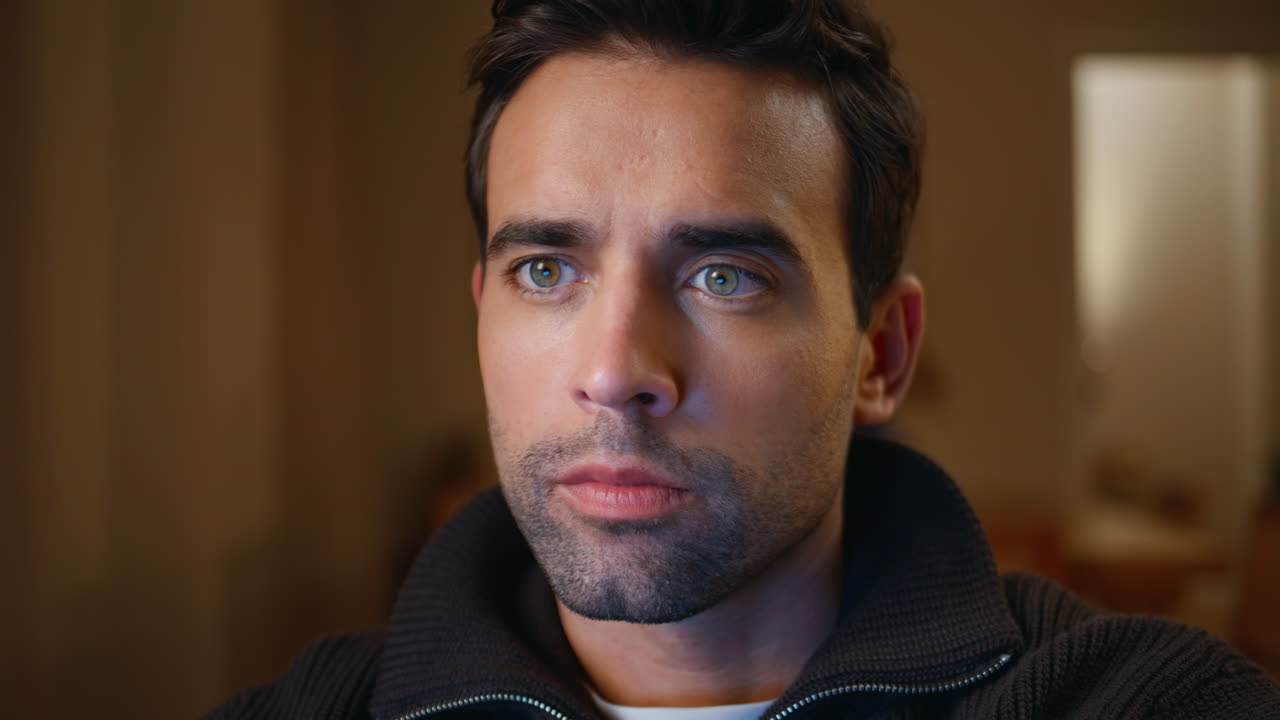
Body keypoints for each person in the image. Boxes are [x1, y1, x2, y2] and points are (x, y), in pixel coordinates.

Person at [208, 1, 1280, 718]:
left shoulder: (1131, 699)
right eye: (546, 271)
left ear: (879, 355)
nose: (617, 367)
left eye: (722, 276)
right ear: (481, 311)